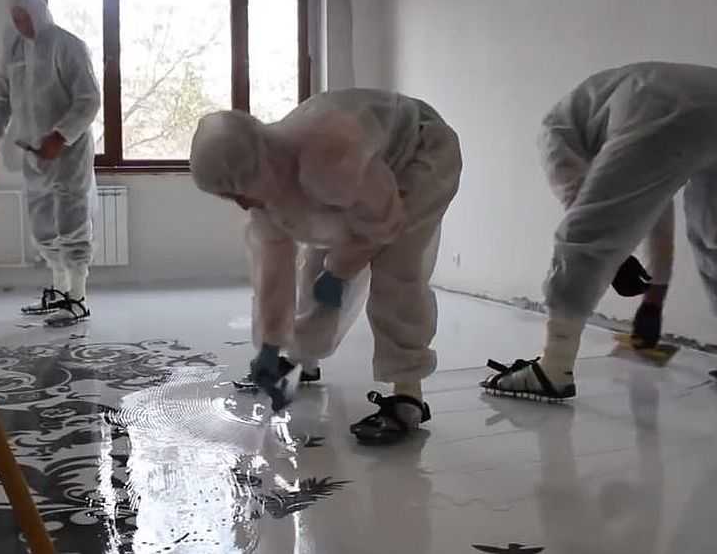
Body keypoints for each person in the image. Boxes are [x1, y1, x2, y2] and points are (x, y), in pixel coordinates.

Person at [190, 89, 462, 444]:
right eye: (229, 196)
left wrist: (339, 272)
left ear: (255, 168)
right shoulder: (266, 173)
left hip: (420, 151)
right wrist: (271, 346)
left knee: (397, 268)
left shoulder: (325, 157)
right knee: (313, 269)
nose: (240, 204)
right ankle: (302, 359)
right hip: (364, 168)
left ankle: (408, 395)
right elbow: (274, 271)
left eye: (237, 192)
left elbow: (382, 223)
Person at [482, 62, 717, 401]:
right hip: (696, 97)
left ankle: (554, 367)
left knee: (581, 238)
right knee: (713, 237)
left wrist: (614, 258)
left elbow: (585, 216)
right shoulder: (608, 110)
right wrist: (654, 299)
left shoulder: (555, 130)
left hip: (665, 104)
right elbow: (654, 203)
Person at [0, 0, 101, 324]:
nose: (19, 23)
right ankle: (60, 290)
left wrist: (59, 137)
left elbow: (89, 99)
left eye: (24, 16)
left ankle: (78, 298)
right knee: (43, 225)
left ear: (38, 12)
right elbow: (1, 98)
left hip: (68, 152)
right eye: (14, 17)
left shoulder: (68, 46)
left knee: (71, 221)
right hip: (33, 153)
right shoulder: (15, 50)